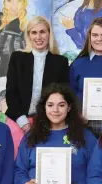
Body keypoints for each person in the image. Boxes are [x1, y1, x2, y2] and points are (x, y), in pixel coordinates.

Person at [5, 16, 70, 158]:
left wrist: (43, 123)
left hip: (48, 122)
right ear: (28, 36)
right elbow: (11, 93)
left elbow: (62, 96)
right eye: (34, 32)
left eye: (42, 32)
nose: (38, 37)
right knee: (15, 162)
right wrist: (24, 123)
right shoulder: (17, 58)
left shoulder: (61, 62)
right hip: (18, 120)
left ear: (49, 34)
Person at [14, 83, 97, 184]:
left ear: (69, 107)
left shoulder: (86, 136)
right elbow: (19, 170)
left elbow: (97, 173)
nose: (55, 110)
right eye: (50, 105)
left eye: (61, 105)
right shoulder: (31, 136)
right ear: (44, 107)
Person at [0, 0, 28, 78]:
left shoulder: (24, 30)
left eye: (18, 1)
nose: (13, 6)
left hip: (10, 76)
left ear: (23, 4)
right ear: (4, 2)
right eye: (9, 0)